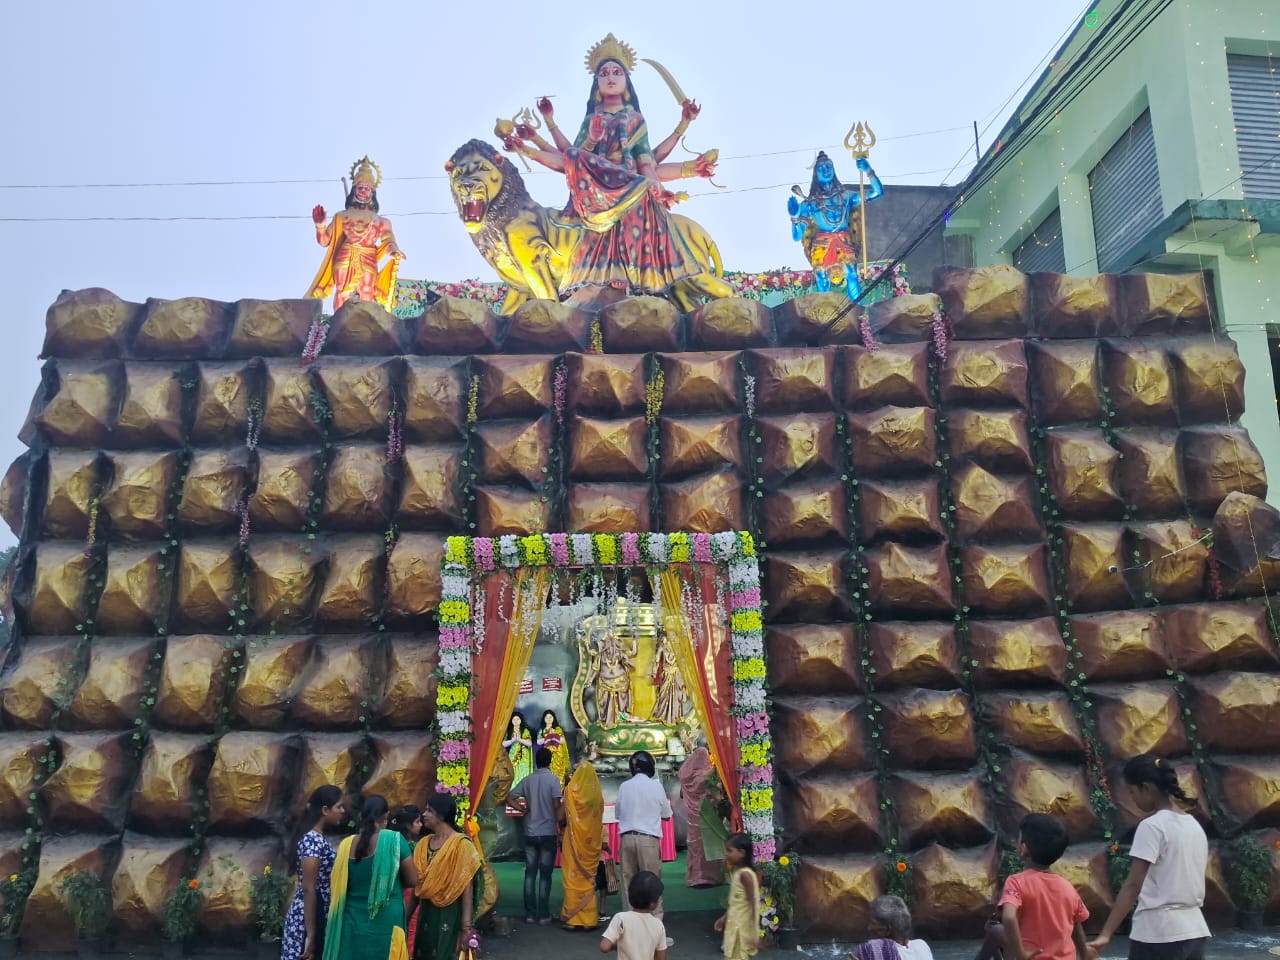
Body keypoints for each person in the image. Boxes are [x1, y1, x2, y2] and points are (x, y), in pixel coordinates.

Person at [507, 34, 731, 307]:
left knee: (625, 183)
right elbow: (571, 158)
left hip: (628, 189)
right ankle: (594, 286)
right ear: (596, 84)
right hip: (595, 193)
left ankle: (633, 282)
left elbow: (648, 162)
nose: (610, 77)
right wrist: (541, 132)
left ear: (626, 82)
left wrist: (670, 170)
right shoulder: (592, 119)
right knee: (578, 160)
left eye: (616, 72)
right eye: (603, 73)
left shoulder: (634, 119)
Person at [1088, 755, 1210, 960]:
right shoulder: (1193, 825)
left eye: (1132, 791)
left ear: (1146, 788)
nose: (1132, 798)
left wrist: (1105, 934)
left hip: (1158, 933)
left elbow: (1132, 886)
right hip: (1195, 931)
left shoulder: (1152, 826)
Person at [323, 795, 419, 960]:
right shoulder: (394, 840)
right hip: (385, 924)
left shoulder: (346, 845)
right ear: (386, 816)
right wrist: (391, 879)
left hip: (352, 923)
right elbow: (412, 880)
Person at [306, 156, 405, 311]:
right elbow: (324, 241)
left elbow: (388, 239)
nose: (363, 191)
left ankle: (365, 324)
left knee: (366, 291)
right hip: (346, 254)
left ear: (373, 192)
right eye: (360, 187)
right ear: (354, 190)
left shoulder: (381, 221)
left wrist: (393, 250)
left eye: (367, 188)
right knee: (342, 291)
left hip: (368, 257)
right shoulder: (342, 216)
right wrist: (320, 226)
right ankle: (339, 323)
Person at [996, 814, 1089, 960]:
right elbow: (1076, 923)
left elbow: (1008, 916)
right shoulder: (1067, 887)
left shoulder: (1016, 882)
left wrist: (1020, 954)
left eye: (1019, 839)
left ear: (1024, 849)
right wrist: (1085, 954)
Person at [412, 793, 483, 960]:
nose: (424, 814)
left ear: (442, 815)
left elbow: (467, 887)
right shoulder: (423, 844)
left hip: (451, 913)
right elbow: (418, 885)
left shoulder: (461, 845)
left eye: (429, 810)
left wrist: (466, 927)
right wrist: (406, 918)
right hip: (426, 912)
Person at [281, 785, 345, 960]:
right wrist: (311, 934)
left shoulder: (316, 838)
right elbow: (309, 888)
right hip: (307, 918)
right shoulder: (312, 840)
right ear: (325, 810)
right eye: (339, 806)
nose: (342, 811)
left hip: (315, 912)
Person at [507, 746, 565, 924]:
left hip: (530, 831)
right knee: (545, 875)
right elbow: (556, 805)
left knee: (530, 873)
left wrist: (522, 809)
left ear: (536, 761)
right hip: (547, 831)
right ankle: (544, 914)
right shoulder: (554, 781)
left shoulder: (528, 780)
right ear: (549, 762)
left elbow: (508, 796)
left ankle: (530, 914)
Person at [615, 751, 673, 922]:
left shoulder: (624, 786)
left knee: (628, 885)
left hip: (627, 839)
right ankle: (655, 928)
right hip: (648, 840)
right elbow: (667, 814)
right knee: (652, 884)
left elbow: (618, 813)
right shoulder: (656, 786)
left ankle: (630, 926)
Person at [561, 761, 606, 931]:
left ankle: (572, 919)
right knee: (588, 879)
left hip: (573, 841)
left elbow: (561, 817)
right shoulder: (597, 796)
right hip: (591, 842)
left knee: (572, 878)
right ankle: (588, 919)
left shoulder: (570, 793)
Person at [677, 747, 723, 888]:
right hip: (707, 816)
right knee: (709, 846)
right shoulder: (705, 775)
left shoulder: (686, 776)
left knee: (695, 846)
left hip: (693, 818)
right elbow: (715, 793)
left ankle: (694, 877)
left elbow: (681, 795)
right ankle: (710, 876)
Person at [600, 872, 668, 960]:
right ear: (652, 904)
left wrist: (619, 946)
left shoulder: (621, 918)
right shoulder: (658, 925)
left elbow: (604, 947)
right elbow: (661, 958)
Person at [713, 833, 760, 960]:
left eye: (729, 850)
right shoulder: (737, 872)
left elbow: (754, 903)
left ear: (742, 853)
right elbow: (736, 902)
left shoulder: (745, 875)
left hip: (741, 930)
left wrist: (755, 933)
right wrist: (724, 917)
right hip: (733, 925)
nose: (726, 854)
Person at [852, 895, 933, 960]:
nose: (869, 928)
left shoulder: (871, 949)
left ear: (888, 929)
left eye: (873, 923)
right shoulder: (922, 945)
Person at [389, 806, 423, 956]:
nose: (421, 824)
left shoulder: (393, 843)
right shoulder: (409, 847)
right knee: (410, 927)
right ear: (408, 826)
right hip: (409, 892)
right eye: (417, 822)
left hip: (399, 892)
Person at [649, 632, 686, 727]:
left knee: (676, 695)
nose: (662, 641)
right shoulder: (662, 648)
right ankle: (662, 714)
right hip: (666, 674)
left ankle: (675, 716)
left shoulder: (677, 648)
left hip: (676, 675)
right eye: (662, 639)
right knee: (663, 694)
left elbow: (683, 662)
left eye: (663, 639)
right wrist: (654, 672)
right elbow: (657, 660)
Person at [540, 710, 572, 784]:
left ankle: (559, 792)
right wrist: (548, 736)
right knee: (548, 775)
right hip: (547, 756)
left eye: (550, 717)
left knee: (559, 777)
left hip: (558, 756)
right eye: (547, 717)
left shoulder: (558, 729)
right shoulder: (542, 730)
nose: (549, 719)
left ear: (554, 718)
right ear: (544, 719)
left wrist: (553, 735)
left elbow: (563, 741)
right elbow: (539, 742)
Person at [503, 712, 534, 785]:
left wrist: (519, 739)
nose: (516, 721)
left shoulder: (525, 731)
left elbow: (529, 744)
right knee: (512, 773)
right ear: (511, 721)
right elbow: (503, 744)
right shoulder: (509, 731)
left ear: (521, 720)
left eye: (518, 719)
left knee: (522, 775)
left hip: (524, 758)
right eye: (514, 719)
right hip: (512, 756)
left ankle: (522, 793)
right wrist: (512, 740)